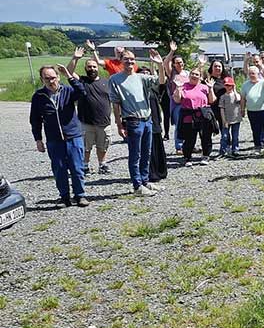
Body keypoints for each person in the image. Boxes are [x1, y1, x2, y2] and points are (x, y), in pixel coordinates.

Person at [29, 64, 89, 207]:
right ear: (42, 79)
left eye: (53, 78)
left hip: (73, 137)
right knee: (59, 169)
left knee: (77, 168)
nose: (51, 81)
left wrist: (69, 75)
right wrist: (38, 139)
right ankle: (64, 197)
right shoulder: (38, 96)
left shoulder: (68, 91)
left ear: (58, 77)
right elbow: (35, 119)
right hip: (54, 140)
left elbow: (82, 92)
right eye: (47, 78)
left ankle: (80, 195)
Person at [109, 48, 164, 197]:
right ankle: (137, 185)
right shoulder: (115, 79)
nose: (130, 61)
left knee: (147, 153)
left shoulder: (141, 77)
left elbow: (161, 81)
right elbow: (115, 104)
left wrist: (160, 64)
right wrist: (119, 125)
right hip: (133, 121)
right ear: (121, 60)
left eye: (132, 59)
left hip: (147, 120)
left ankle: (145, 181)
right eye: (126, 59)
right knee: (135, 154)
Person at [68, 43, 113, 175]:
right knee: (86, 147)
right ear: (85, 68)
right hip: (86, 122)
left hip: (104, 122)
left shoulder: (106, 81)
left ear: (97, 68)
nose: (92, 69)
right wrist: (75, 58)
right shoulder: (82, 81)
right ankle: (85, 166)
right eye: (89, 67)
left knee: (103, 145)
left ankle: (102, 165)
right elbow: (69, 72)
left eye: (94, 66)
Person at [173, 67, 215, 166]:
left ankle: (206, 155)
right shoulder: (183, 86)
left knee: (206, 136)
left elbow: (212, 100)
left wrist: (211, 88)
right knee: (189, 137)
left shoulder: (204, 87)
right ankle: (187, 157)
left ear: (200, 77)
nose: (194, 76)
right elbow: (177, 100)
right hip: (188, 114)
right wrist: (178, 88)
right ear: (189, 75)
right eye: (193, 74)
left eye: (197, 74)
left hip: (203, 114)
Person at [241, 63, 264, 153]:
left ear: (258, 74)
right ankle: (258, 146)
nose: (251, 75)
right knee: (255, 129)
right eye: (250, 73)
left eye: (253, 73)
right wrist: (242, 109)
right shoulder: (245, 85)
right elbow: (243, 98)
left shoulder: (263, 82)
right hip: (252, 111)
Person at [219, 78, 245, 158]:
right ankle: (223, 151)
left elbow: (238, 99)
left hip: (236, 119)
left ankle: (235, 150)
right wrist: (224, 120)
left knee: (235, 135)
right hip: (227, 119)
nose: (228, 87)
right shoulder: (223, 97)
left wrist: (235, 90)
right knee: (224, 136)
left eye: (230, 85)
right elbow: (222, 109)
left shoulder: (236, 95)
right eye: (227, 85)